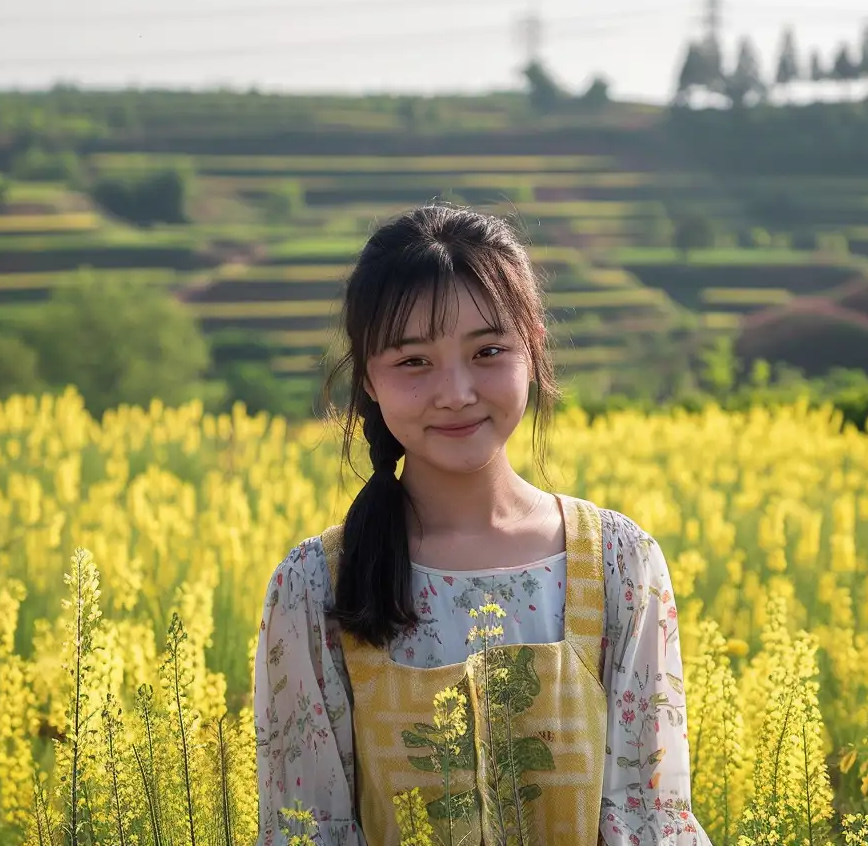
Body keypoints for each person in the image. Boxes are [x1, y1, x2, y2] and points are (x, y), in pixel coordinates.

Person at [254, 205, 712, 846]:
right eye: (414, 362)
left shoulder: (618, 565)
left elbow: (649, 822)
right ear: (369, 380)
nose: (457, 391)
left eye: (488, 351)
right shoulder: (315, 586)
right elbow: (305, 830)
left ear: (534, 350)